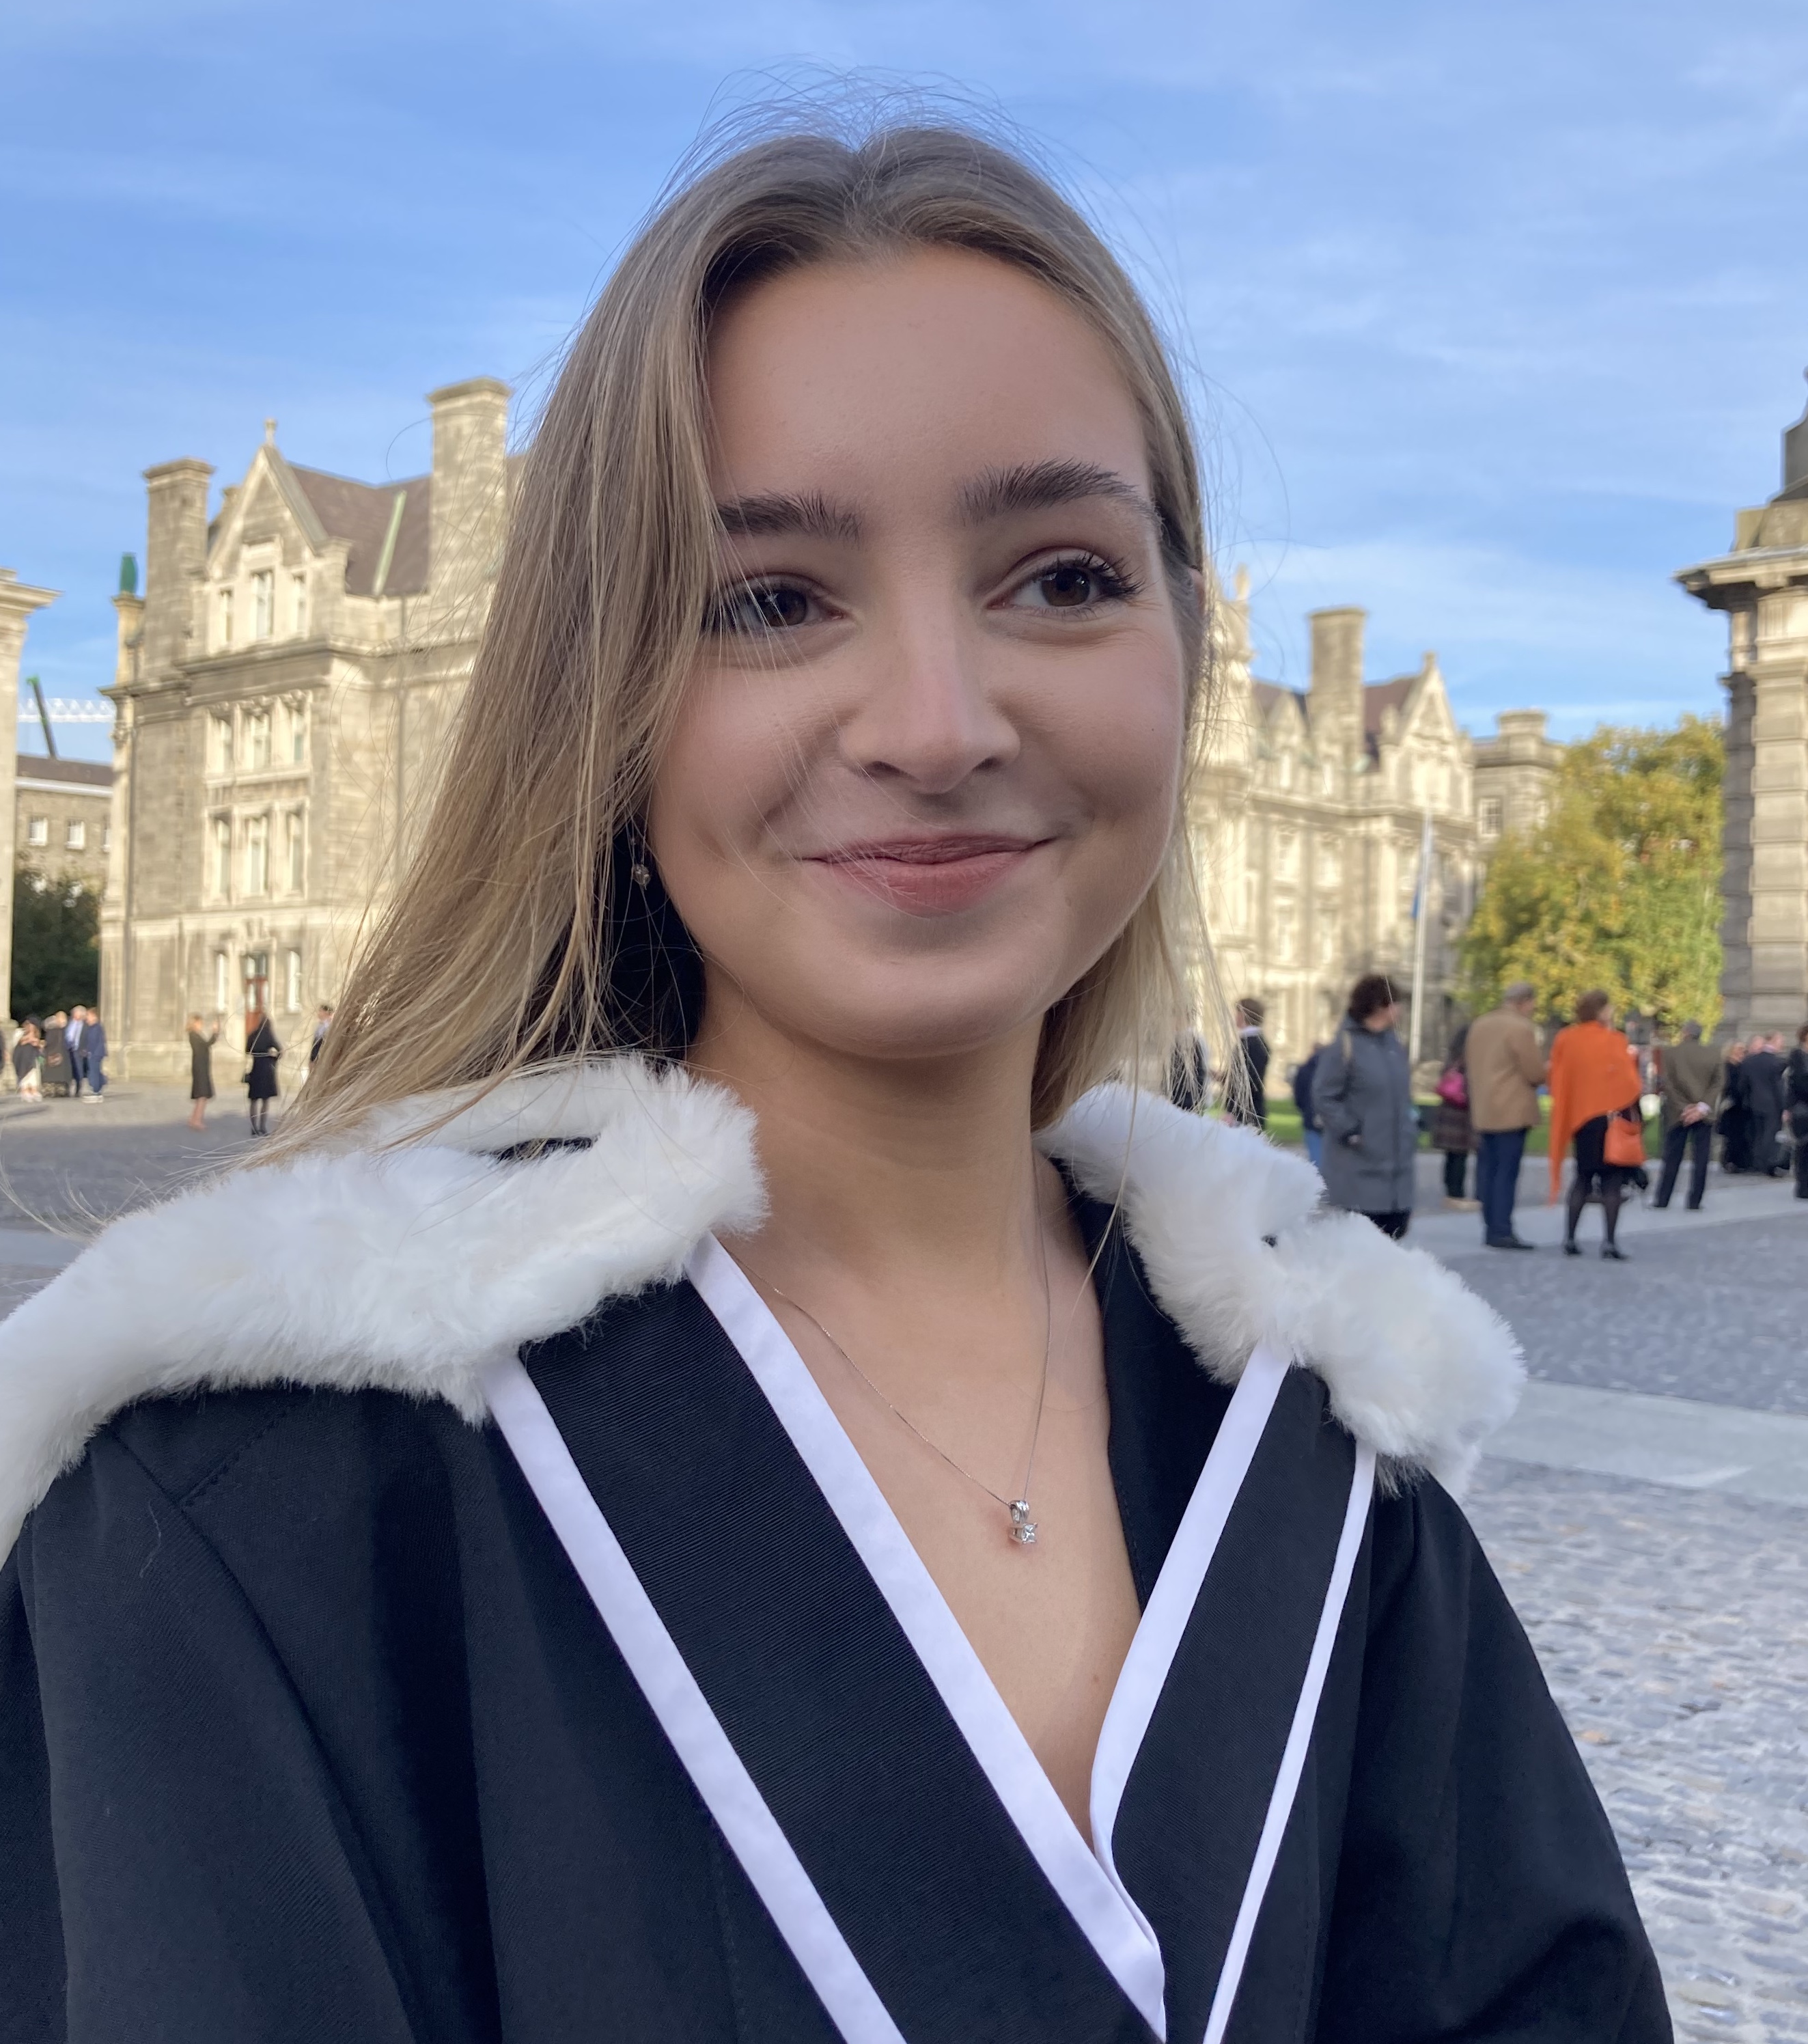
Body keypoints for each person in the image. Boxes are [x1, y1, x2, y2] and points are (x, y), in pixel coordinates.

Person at [0, 115, 1665, 2041]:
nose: (936, 725)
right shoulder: (255, 1488)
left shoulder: (1320, 1434)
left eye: (1060, 576)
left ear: (1183, 653)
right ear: (601, 699)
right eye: (770, 600)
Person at [1312, 973, 1418, 1240]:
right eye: (1396, 1003)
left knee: (1395, 1235)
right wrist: (1350, 1130)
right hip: (1359, 1166)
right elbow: (1324, 1095)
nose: (1401, 1010)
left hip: (1397, 1169)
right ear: (1380, 1006)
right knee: (1364, 1243)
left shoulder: (1394, 1045)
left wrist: (1411, 1124)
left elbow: (1400, 1095)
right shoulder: (1345, 1045)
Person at [1548, 991, 1644, 1259]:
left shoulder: (1567, 1039)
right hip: (1610, 1120)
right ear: (1601, 1011)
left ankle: (1569, 1238)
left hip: (1582, 1120)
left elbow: (1558, 1075)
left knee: (1582, 1178)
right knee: (1612, 1183)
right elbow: (1630, 1084)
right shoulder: (1614, 1040)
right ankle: (1609, 1242)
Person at [1462, 982, 1547, 1251]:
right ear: (1525, 1002)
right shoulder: (1520, 1028)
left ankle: (1490, 1225)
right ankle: (1502, 1229)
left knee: (1487, 1169)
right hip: (1512, 1107)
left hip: (1484, 1106)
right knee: (1506, 1172)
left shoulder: (1480, 1025)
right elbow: (1534, 1072)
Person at [1654, 1020, 1722, 1211]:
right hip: (1704, 1114)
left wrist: (1684, 1107)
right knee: (1701, 1158)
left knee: (1672, 1157)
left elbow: (1667, 1083)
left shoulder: (1670, 1053)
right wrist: (1702, 1107)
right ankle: (1695, 1201)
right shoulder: (1714, 1053)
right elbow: (1718, 1082)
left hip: (1678, 1113)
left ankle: (1663, 1199)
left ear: (1685, 1033)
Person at [1430, 1022, 1473, 1204]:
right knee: (1460, 1155)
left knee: (1452, 1156)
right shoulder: (1468, 1061)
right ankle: (1456, 1193)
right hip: (1460, 1114)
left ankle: (1450, 1189)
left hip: (1448, 1112)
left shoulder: (1452, 1058)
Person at [1743, 1034, 1787, 1177]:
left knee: (1758, 1134)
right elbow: (1779, 1087)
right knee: (1769, 1134)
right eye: (1781, 1042)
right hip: (1772, 1104)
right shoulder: (1777, 1062)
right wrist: (1784, 1107)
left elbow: (1743, 1084)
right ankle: (1768, 1165)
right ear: (1773, 1041)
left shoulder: (1750, 1061)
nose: (1782, 1046)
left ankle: (1756, 1163)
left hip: (1754, 1103)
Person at [1223, 996, 1269, 1127]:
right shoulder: (1249, 1041)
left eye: (1237, 1013)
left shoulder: (1253, 1043)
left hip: (1246, 1115)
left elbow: (1249, 1081)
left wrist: (1234, 1111)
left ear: (1243, 1015)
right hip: (1244, 1113)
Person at [244, 1008, 283, 1138]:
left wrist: (256, 1054)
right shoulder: (269, 1035)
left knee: (254, 1100)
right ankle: (262, 1127)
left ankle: (253, 1128)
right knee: (265, 1101)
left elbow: (247, 1050)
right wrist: (273, 1058)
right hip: (266, 1070)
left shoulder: (253, 1035)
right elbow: (280, 1051)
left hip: (255, 1068)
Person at [1290, 1039, 1324, 1168]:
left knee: (1316, 1158)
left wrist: (1305, 1109)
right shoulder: (1334, 1070)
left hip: (1310, 1117)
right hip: (1329, 1119)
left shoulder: (1304, 1070)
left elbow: (1298, 1095)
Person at [1719, 1040, 1752, 1171]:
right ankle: (1730, 1161)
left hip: (1742, 1105)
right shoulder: (1727, 1066)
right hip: (1732, 1105)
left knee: (1741, 1135)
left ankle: (1739, 1161)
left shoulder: (1743, 1066)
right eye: (1738, 1049)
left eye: (1743, 1050)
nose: (1741, 1052)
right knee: (1732, 1136)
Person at [186, 1014, 222, 1131]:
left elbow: (206, 1045)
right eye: (200, 1023)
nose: (201, 1025)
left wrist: (215, 1033)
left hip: (202, 1067)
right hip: (200, 1068)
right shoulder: (193, 1035)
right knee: (202, 1095)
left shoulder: (196, 1035)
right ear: (195, 1023)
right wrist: (215, 1032)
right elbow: (206, 1045)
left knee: (201, 1096)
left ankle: (193, 1119)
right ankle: (197, 1121)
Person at [1786, 1025, 1808, 1202]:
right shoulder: (1797, 1057)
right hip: (1802, 1109)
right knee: (1803, 1148)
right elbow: (1796, 1085)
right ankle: (1803, 1186)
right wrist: (1788, 1109)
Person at [75, 1009, 107, 1103]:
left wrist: (93, 1052)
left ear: (94, 1017)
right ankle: (97, 1088)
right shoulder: (92, 1028)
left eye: (88, 1016)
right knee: (93, 1072)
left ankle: (96, 1092)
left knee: (94, 1072)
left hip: (95, 1054)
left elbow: (97, 1042)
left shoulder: (97, 1028)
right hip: (92, 1053)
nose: (86, 1018)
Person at [38, 1012, 70, 1100]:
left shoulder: (52, 1031)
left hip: (52, 1054)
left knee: (51, 1074)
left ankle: (50, 1090)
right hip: (63, 1056)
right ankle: (62, 1090)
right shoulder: (66, 1031)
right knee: (62, 1075)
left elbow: (49, 1043)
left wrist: (43, 1045)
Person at [10, 1022, 44, 1103]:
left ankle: (33, 1090)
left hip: (32, 1058)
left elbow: (39, 1046)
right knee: (25, 1075)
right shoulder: (20, 1033)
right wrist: (30, 1038)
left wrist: (37, 1043)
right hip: (22, 1058)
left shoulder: (36, 1035)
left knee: (33, 1075)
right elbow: (20, 1042)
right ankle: (25, 1091)